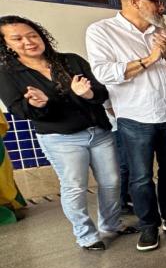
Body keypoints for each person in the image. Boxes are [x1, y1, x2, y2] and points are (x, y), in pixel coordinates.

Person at [0, 16, 137, 248]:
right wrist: (39, 105)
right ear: (6, 45)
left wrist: (88, 95)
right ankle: (86, 235)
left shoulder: (71, 61)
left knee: (112, 182)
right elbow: (18, 109)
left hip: (99, 132)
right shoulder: (8, 74)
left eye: (32, 35)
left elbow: (102, 91)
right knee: (75, 186)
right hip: (61, 138)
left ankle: (111, 224)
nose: (29, 41)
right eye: (18, 38)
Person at [86, 0, 166, 251]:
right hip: (136, 116)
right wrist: (151, 57)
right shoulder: (102, 31)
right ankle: (149, 226)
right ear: (134, 2)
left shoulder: (162, 30)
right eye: (155, 1)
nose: (161, 7)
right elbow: (104, 73)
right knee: (140, 177)